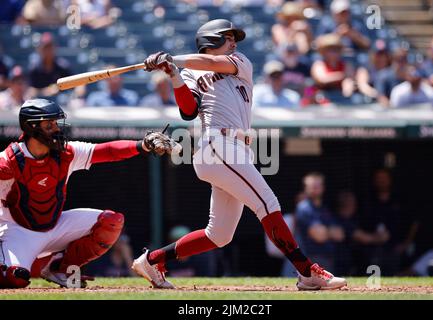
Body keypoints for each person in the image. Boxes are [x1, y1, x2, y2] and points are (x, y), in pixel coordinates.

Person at [132, 19, 346, 290]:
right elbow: (188, 111)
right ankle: (307, 272)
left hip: (236, 149)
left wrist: (172, 60)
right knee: (268, 204)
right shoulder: (188, 73)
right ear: (210, 40)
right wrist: (174, 74)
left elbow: (208, 64)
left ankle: (152, 260)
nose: (234, 42)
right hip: (217, 145)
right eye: (227, 37)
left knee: (219, 234)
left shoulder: (239, 61)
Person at [0, 98, 178, 288]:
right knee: (16, 278)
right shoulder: (8, 161)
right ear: (31, 127)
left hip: (55, 224)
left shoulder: (65, 153)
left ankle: (60, 269)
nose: (56, 129)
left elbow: (107, 151)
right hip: (19, 232)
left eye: (55, 123)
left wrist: (142, 146)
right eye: (49, 124)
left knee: (111, 221)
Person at [293, 172, 345, 274]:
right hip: (310, 260)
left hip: (330, 258)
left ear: (323, 187)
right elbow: (319, 236)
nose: (315, 189)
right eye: (312, 186)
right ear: (305, 188)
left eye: (317, 186)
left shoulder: (326, 209)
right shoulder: (303, 208)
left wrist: (324, 231)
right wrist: (330, 232)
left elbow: (340, 235)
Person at [311, 33, 355, 104]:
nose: (333, 53)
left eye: (336, 50)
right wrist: (342, 75)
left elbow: (350, 77)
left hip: (342, 96)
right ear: (324, 52)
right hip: (322, 96)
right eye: (330, 50)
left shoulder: (346, 64)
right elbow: (322, 79)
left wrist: (347, 84)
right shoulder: (319, 64)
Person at [29, 32, 71, 98]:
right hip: (41, 101)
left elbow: (74, 84)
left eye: (50, 47)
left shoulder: (63, 66)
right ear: (40, 49)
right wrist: (46, 91)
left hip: (62, 102)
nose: (48, 51)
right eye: (45, 47)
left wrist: (58, 88)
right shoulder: (35, 68)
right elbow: (30, 91)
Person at [355, 40, 393, 107]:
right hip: (372, 102)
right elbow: (363, 86)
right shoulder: (366, 69)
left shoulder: (392, 69)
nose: (381, 57)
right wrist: (379, 95)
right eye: (378, 54)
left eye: (383, 54)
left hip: (392, 100)